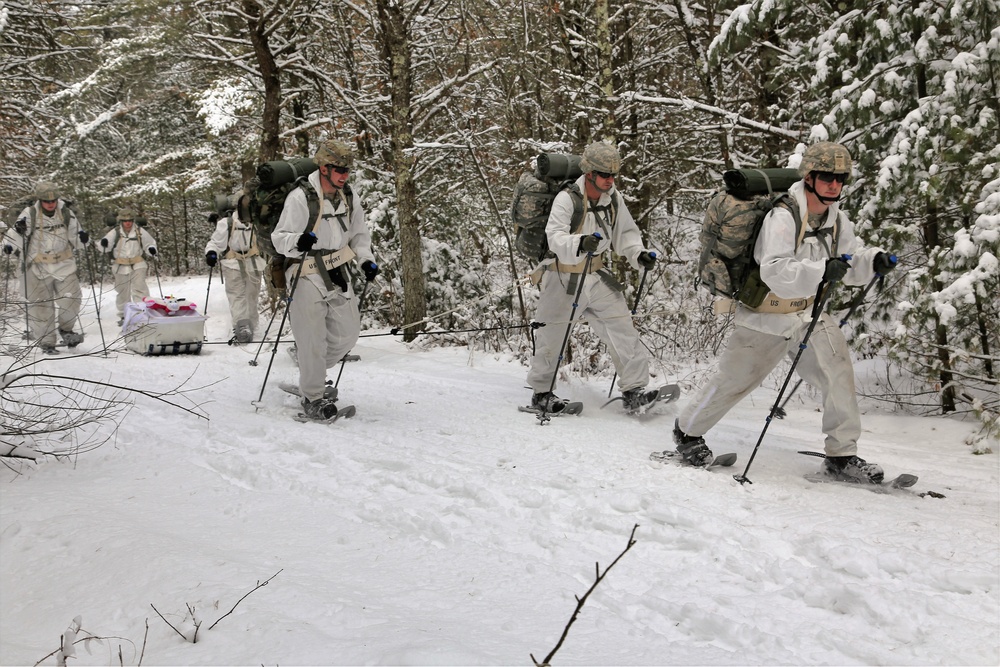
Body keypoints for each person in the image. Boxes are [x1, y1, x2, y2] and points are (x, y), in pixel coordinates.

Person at [672, 142, 898, 483]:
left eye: (840, 179)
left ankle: (842, 455)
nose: (834, 185)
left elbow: (847, 264)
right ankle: (687, 432)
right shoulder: (782, 217)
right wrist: (823, 270)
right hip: (766, 314)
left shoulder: (838, 221)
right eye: (826, 177)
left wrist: (871, 261)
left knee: (837, 373)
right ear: (809, 178)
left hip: (809, 313)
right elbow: (774, 270)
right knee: (735, 380)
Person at [525, 141, 659, 414]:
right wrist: (579, 243)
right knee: (552, 335)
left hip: (596, 275)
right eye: (604, 175)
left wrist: (638, 254)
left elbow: (627, 234)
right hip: (562, 276)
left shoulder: (614, 199)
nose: (610, 180)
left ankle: (634, 391)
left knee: (622, 328)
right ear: (589, 173)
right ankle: (542, 393)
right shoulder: (567, 198)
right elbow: (555, 236)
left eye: (613, 175)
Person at [270, 140, 378, 420]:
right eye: (338, 169)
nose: (344, 175)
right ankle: (313, 396)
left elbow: (359, 234)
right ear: (323, 166)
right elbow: (279, 238)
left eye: (347, 170)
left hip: (337, 270)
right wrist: (299, 240)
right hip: (304, 271)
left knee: (348, 333)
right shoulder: (300, 197)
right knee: (313, 339)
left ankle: (310, 369)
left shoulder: (349, 196)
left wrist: (365, 260)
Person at [2, 181, 88, 353]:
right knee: (40, 306)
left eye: (53, 200)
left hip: (64, 264)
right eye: (46, 201)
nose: (50, 203)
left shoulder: (66, 213)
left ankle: (66, 329)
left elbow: (77, 236)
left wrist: (83, 238)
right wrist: (10, 245)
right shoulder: (29, 213)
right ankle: (47, 341)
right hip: (37, 266)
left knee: (71, 300)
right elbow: (14, 236)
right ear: (40, 200)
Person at [205, 202, 264, 343]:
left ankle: (252, 324)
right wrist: (211, 253)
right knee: (237, 296)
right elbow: (215, 242)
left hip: (253, 262)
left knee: (252, 296)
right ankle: (241, 326)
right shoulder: (227, 223)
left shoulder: (256, 223)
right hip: (232, 263)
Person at [98, 208, 157, 326]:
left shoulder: (139, 231)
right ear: (121, 221)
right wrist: (103, 243)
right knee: (122, 291)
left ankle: (142, 312)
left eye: (130, 220)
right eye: (125, 221)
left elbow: (150, 243)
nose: (128, 223)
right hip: (120, 265)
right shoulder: (115, 232)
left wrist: (151, 249)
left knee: (140, 288)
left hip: (138, 263)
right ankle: (124, 314)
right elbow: (105, 245)